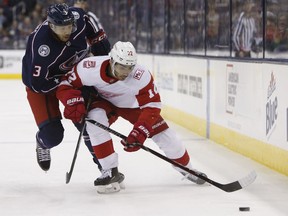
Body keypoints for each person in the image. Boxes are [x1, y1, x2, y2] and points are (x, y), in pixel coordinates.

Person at [56, 41, 207, 193]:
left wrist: (140, 132)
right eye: (121, 67)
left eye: (129, 68)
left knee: (167, 138)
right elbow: (66, 83)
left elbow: (153, 105)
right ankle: (109, 171)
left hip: (133, 107)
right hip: (104, 102)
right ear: (111, 61)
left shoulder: (141, 75)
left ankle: (188, 169)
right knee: (94, 123)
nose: (125, 72)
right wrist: (72, 101)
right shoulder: (90, 67)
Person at [22, 3, 110, 172]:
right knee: (53, 136)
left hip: (73, 77)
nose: (67, 32)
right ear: (51, 26)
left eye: (69, 27)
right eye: (61, 29)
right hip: (42, 87)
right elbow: (36, 83)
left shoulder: (77, 18)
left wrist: (102, 49)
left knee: (87, 121)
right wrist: (67, 91)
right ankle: (42, 143)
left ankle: (105, 167)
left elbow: (89, 22)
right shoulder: (40, 46)